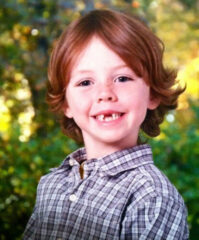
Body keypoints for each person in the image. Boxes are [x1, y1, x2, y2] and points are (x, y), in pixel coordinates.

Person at [23, 9, 189, 240]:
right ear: (66, 104)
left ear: (152, 94)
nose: (104, 93)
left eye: (122, 78)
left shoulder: (152, 196)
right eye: (85, 82)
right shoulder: (51, 185)